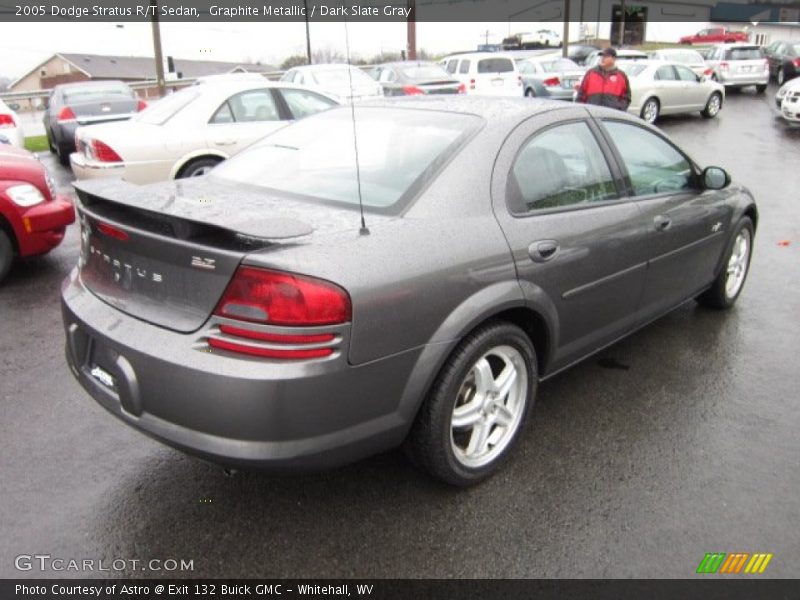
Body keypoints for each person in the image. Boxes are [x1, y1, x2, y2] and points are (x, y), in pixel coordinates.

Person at [576, 47, 631, 112]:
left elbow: (626, 97)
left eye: (606, 56)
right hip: (592, 113)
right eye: (602, 56)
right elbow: (581, 94)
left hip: (611, 115)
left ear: (613, 59)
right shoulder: (591, 73)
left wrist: (619, 109)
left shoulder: (621, 76)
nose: (603, 58)